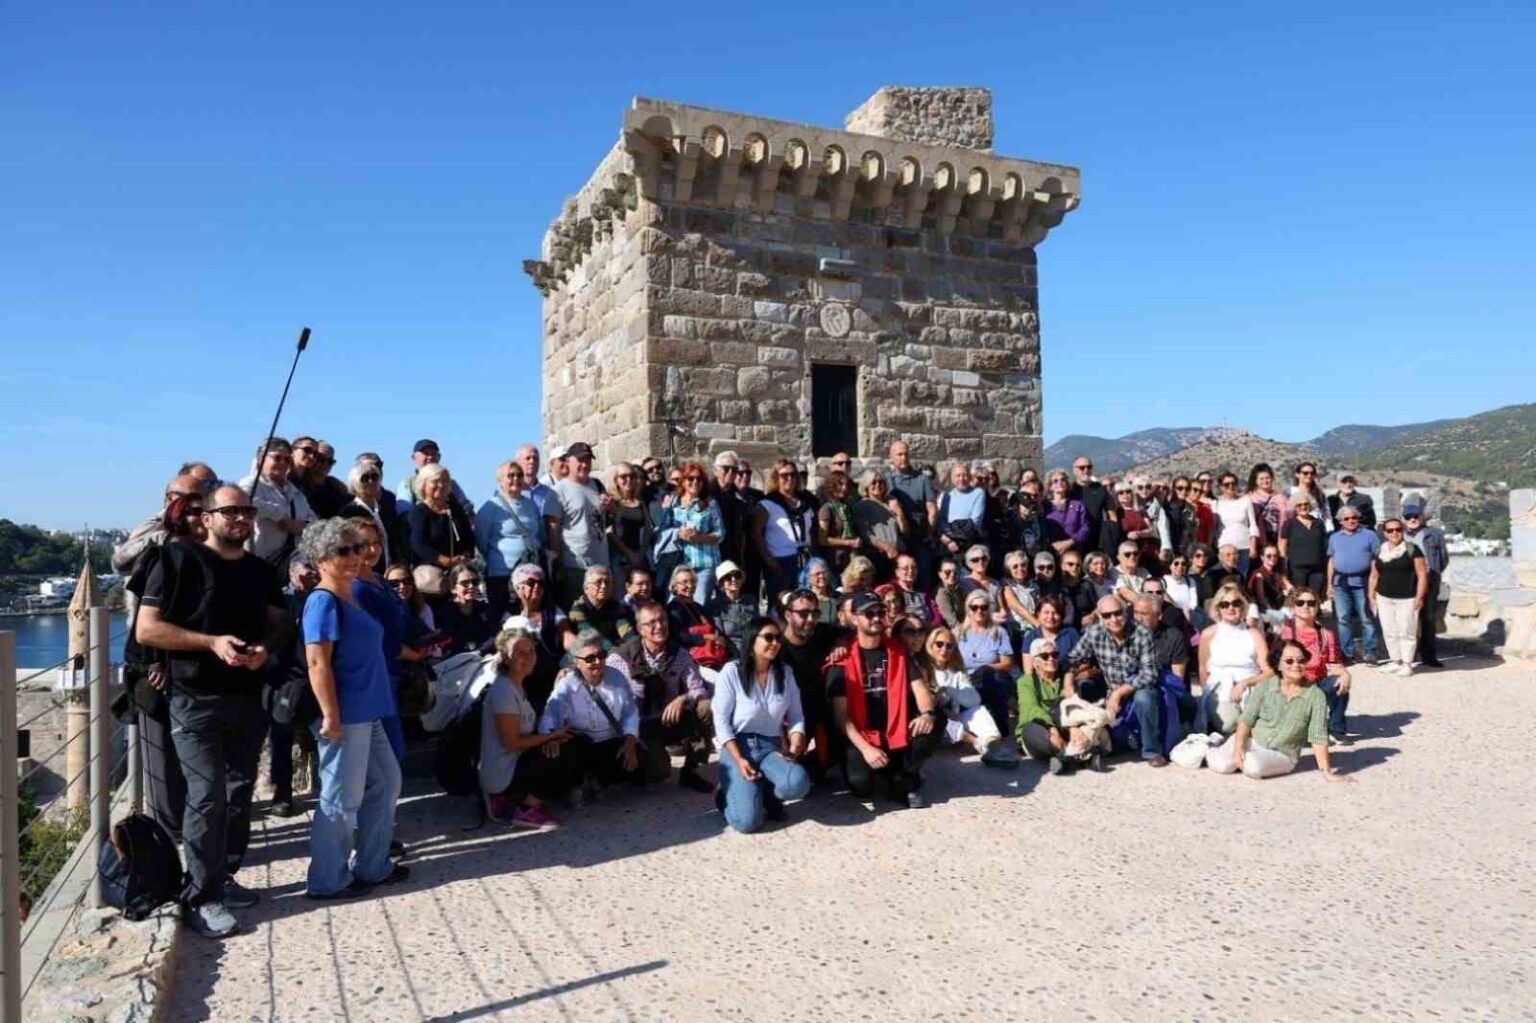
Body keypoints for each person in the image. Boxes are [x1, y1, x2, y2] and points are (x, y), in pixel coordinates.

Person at [134, 485, 288, 937]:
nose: (241, 518)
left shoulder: (260, 570)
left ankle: (221, 876)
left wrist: (264, 650)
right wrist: (211, 643)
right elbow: (147, 629)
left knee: (239, 793)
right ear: (207, 518)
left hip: (248, 696)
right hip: (193, 697)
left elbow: (281, 625)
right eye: (230, 511)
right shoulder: (175, 560)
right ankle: (200, 896)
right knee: (206, 794)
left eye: (247, 511)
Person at [298, 519, 407, 900]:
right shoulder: (322, 601)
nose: (355, 556)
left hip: (369, 710)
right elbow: (317, 663)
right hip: (346, 715)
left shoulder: (352, 595)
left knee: (387, 783)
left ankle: (373, 865)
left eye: (357, 548)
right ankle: (327, 880)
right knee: (340, 800)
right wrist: (330, 715)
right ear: (320, 559)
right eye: (342, 551)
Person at [117, 476, 209, 842]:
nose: (201, 515)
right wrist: (152, 664)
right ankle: (169, 844)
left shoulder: (205, 555)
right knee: (164, 767)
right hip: (156, 671)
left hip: (191, 672)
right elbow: (146, 622)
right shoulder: (158, 551)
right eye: (192, 509)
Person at [828, 592, 941, 808]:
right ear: (855, 618)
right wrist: (866, 749)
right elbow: (841, 716)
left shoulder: (898, 652)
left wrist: (927, 714)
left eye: (880, 612)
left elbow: (921, 690)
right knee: (862, 787)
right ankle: (888, 772)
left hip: (893, 731)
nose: (876, 618)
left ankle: (902, 777)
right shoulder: (841, 658)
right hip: (861, 735)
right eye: (869, 614)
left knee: (934, 720)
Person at [712, 617, 813, 833]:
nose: (775, 643)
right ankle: (725, 797)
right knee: (748, 823)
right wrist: (739, 759)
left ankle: (764, 794)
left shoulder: (785, 672)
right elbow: (721, 720)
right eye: (768, 637)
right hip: (738, 746)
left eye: (777, 638)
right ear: (751, 641)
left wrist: (795, 742)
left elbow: (796, 715)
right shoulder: (732, 671)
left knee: (797, 783)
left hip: (770, 746)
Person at [1206, 640, 1350, 782]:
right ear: (1278, 665)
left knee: (1253, 766)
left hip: (1283, 754)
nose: (1296, 665)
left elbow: (1317, 735)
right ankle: (1211, 747)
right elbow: (1247, 719)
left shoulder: (1316, 696)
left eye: (1301, 661)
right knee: (1221, 765)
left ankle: (1239, 758)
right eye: (1289, 661)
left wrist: (1327, 772)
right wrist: (1238, 747)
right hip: (1253, 741)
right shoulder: (1264, 686)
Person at [606, 599, 713, 790]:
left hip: (667, 719)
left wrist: (683, 698)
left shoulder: (679, 654)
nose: (659, 626)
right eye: (651, 623)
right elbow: (600, 688)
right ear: (640, 629)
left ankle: (690, 771)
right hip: (637, 727)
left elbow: (698, 689)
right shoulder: (621, 658)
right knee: (659, 773)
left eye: (662, 620)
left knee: (705, 706)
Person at [479, 626, 571, 828]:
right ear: (506, 657)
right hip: (503, 773)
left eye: (531, 651)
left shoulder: (517, 684)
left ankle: (527, 798)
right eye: (520, 652)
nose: (528, 657)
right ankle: (522, 807)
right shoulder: (504, 690)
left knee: (564, 744)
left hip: (516, 761)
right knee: (563, 752)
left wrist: (553, 737)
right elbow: (512, 743)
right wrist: (551, 736)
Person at [536, 631, 644, 796]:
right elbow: (550, 716)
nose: (597, 662)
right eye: (589, 658)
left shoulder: (616, 677)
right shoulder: (567, 685)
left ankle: (598, 780)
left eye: (601, 655)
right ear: (576, 662)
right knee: (559, 753)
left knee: (642, 761)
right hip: (581, 745)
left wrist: (630, 740)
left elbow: (630, 713)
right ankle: (578, 783)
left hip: (609, 741)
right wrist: (550, 736)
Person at [1066, 596, 1167, 766]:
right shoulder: (1094, 633)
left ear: (1125, 613)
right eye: (1107, 615)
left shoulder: (1142, 633)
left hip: (1137, 688)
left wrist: (1118, 693)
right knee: (1084, 689)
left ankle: (1151, 751)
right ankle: (1083, 750)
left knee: (1144, 697)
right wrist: (1068, 681)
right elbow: (1072, 660)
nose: (1113, 619)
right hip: (1109, 690)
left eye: (1117, 613)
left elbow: (1149, 674)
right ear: (1100, 617)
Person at [923, 626, 1013, 767]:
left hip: (955, 714)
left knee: (978, 711)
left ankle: (993, 745)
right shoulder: (924, 669)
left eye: (949, 646)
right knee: (941, 719)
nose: (944, 649)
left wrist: (948, 690)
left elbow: (974, 699)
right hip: (935, 722)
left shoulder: (956, 672)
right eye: (939, 644)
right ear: (931, 645)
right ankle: (979, 744)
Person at [1017, 637, 1109, 774]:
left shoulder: (1067, 680)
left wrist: (1072, 726)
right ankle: (1084, 755)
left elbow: (1074, 707)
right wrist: (1052, 726)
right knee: (1035, 731)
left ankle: (1066, 758)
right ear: (1035, 662)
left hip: (1066, 727)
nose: (1051, 659)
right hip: (1041, 726)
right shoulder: (1025, 682)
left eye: (1055, 655)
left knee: (1092, 722)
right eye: (1045, 656)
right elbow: (1030, 709)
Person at [778, 588, 844, 778]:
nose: (810, 619)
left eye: (814, 613)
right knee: (791, 776)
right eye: (803, 613)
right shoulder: (776, 649)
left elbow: (847, 634)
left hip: (823, 710)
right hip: (791, 716)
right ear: (788, 615)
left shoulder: (822, 632)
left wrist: (840, 645)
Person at [1277, 588, 1352, 743]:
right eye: (1300, 603)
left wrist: (1345, 674)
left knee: (1339, 683)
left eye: (1311, 603)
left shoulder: (1326, 634)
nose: (1306, 606)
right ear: (1293, 606)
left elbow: (1334, 663)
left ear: (1317, 606)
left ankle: (1336, 729)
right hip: (1290, 682)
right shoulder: (1285, 631)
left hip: (1316, 682)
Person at [475, 459, 545, 625]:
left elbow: (539, 534)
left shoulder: (530, 505)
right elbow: (481, 541)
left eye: (519, 475)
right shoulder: (490, 507)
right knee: (505, 621)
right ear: (500, 480)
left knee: (530, 618)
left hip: (530, 573)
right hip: (502, 575)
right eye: (510, 475)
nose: (516, 479)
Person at [1195, 583, 1270, 735]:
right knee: (1229, 724)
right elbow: (1203, 668)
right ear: (1218, 608)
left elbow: (1269, 671)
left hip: (1250, 686)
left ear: (1242, 606)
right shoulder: (1208, 634)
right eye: (1225, 604)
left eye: (1236, 603)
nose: (1231, 608)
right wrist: (1206, 699)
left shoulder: (1254, 634)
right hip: (1220, 688)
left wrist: (1245, 683)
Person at [238, 438, 314, 575]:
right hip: (260, 564)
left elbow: (315, 524)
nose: (283, 463)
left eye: (287, 460)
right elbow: (244, 503)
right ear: (261, 459)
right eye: (277, 458)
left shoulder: (296, 494)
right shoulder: (250, 484)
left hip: (294, 566)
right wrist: (280, 516)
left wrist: (303, 527)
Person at [552, 443, 612, 610]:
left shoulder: (597, 485)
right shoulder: (558, 491)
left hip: (602, 565)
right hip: (576, 567)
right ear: (568, 461)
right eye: (580, 460)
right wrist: (558, 565)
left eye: (588, 460)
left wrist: (609, 507)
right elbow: (553, 530)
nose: (585, 465)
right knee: (577, 615)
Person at [507, 563, 573, 712]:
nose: (537, 586)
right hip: (523, 678)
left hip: (551, 673)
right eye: (531, 583)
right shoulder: (510, 615)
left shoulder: (553, 611)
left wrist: (573, 661)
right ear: (517, 588)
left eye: (540, 583)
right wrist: (526, 608)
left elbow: (567, 637)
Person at [408, 463, 475, 607]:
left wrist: (464, 555)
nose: (441, 485)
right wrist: (445, 561)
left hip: (457, 578)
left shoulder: (456, 509)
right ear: (424, 485)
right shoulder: (419, 512)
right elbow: (418, 544)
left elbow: (469, 536)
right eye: (435, 481)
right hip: (431, 583)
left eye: (445, 481)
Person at [1370, 517, 1428, 676]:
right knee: (1389, 630)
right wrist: (1371, 596)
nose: (1394, 533)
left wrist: (1419, 597)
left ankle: (1407, 663)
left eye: (1398, 529)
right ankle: (1396, 661)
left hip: (1407, 598)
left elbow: (1422, 575)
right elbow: (1374, 576)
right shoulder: (1379, 551)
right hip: (1384, 597)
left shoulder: (1412, 549)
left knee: (1407, 631)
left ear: (1402, 531)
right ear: (1385, 533)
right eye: (1390, 530)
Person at [955, 591, 1015, 743]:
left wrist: (987, 667)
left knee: (995, 678)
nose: (979, 611)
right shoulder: (958, 633)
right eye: (974, 607)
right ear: (968, 609)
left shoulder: (999, 632)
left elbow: (1008, 664)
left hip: (990, 677)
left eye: (984, 607)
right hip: (965, 679)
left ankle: (1000, 725)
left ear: (989, 609)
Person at [755, 459, 815, 606]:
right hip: (780, 561)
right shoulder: (767, 503)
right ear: (776, 477)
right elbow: (756, 534)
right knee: (781, 605)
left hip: (805, 559)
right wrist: (768, 558)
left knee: (805, 602)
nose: (789, 478)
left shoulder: (806, 501)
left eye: (793, 474)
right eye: (784, 475)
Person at [1326, 505, 1382, 663]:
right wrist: (1329, 584)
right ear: (1340, 521)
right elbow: (1331, 561)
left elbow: (1376, 559)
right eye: (1346, 518)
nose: (1351, 521)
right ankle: (1347, 653)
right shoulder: (1334, 538)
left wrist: (1374, 582)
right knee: (1343, 619)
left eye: (1354, 517)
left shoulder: (1369, 535)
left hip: (1363, 582)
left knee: (1367, 618)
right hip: (1340, 584)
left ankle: (1370, 651)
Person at [886, 439, 938, 584]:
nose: (903, 458)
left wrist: (929, 532)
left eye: (906, 454)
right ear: (891, 457)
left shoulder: (922, 479)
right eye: (899, 455)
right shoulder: (887, 480)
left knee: (923, 573)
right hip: (897, 536)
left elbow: (932, 508)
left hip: (919, 534)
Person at [671, 462, 723, 603]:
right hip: (681, 563)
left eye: (699, 479)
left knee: (700, 602)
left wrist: (699, 538)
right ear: (683, 481)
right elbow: (664, 528)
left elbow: (720, 533)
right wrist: (678, 533)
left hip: (705, 563)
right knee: (677, 603)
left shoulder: (710, 503)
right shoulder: (674, 503)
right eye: (691, 478)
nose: (695, 482)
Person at [1403, 504, 1448, 668]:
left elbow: (1443, 558)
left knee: (1428, 619)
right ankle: (1407, 656)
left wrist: (1433, 573)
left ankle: (1429, 656)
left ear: (1422, 517)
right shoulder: (1398, 534)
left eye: (1415, 516)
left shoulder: (1435, 534)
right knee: (1406, 619)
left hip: (1429, 580)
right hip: (1405, 582)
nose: (1412, 519)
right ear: (1404, 519)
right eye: (1408, 517)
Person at [340, 460, 402, 572]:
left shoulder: (386, 510)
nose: (371, 481)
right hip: (363, 570)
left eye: (374, 477)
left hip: (389, 571)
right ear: (355, 482)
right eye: (365, 478)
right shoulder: (349, 512)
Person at [397, 438, 474, 517]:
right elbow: (404, 513)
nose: (430, 457)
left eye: (433, 454)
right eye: (426, 453)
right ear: (414, 457)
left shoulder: (450, 484)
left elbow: (466, 508)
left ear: (439, 457)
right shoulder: (408, 484)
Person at [852, 470, 905, 580]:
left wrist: (899, 513)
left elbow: (905, 532)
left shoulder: (892, 504)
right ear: (866, 485)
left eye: (881, 482)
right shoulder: (862, 506)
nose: (878, 485)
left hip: (898, 556)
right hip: (877, 557)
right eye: (873, 482)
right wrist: (887, 548)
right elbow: (865, 534)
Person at [565, 565, 634, 651]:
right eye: (598, 582)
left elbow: (626, 629)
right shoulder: (578, 609)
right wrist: (612, 652)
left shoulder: (616, 607)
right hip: (583, 651)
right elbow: (590, 634)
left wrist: (635, 646)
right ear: (586, 588)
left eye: (607, 582)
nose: (604, 586)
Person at [607, 462, 653, 582]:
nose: (628, 480)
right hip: (620, 557)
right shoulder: (612, 503)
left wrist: (641, 553)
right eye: (623, 476)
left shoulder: (640, 502)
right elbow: (610, 532)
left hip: (640, 555)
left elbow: (647, 528)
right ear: (616, 480)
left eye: (632, 476)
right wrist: (629, 553)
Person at [438, 564, 497, 655]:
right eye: (465, 583)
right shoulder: (445, 614)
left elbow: (493, 637)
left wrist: (479, 651)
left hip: (484, 655)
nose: (471, 586)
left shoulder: (485, 609)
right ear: (453, 588)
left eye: (475, 582)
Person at [1279, 490, 1328, 594]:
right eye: (1299, 505)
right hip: (1297, 570)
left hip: (1317, 569)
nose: (1303, 507)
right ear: (1294, 507)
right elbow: (1282, 548)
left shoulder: (1319, 523)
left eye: (1306, 504)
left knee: (1315, 597)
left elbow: (1324, 546)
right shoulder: (1289, 524)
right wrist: (1283, 569)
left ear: (1310, 505)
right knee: (1299, 597)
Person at [1019, 595, 1082, 677]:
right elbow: (1028, 671)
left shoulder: (1071, 633)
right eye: (1046, 612)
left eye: (1055, 613)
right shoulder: (1031, 637)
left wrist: (1069, 676)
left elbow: (1083, 662)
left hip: (1071, 677)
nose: (1051, 617)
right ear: (1038, 614)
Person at [935, 462, 987, 561]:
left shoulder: (978, 493)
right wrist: (948, 541)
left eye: (965, 475)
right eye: (958, 476)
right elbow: (942, 521)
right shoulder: (946, 496)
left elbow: (975, 521)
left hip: (969, 543)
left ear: (970, 477)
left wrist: (956, 541)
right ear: (952, 479)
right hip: (948, 545)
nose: (961, 479)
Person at [1212, 472, 1259, 578]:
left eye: (1233, 483)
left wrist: (1253, 546)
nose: (1231, 486)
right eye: (1226, 484)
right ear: (1220, 487)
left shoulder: (1246, 501)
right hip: (1224, 547)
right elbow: (1214, 527)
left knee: (1242, 577)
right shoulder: (1215, 504)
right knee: (1225, 577)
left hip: (1244, 547)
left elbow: (1253, 525)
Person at [705, 561, 757, 657]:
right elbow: (720, 636)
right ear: (722, 582)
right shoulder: (715, 604)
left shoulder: (750, 600)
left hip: (753, 649)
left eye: (737, 576)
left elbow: (757, 627)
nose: (734, 579)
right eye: (728, 577)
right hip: (731, 653)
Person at [290, 437, 350, 520]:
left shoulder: (337, 489)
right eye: (320, 459)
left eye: (330, 462)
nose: (325, 464)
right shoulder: (295, 484)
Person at [815, 470, 861, 574]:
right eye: (840, 484)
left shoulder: (847, 508)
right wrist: (849, 542)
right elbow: (823, 539)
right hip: (834, 560)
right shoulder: (827, 509)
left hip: (849, 558)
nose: (844, 488)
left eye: (846, 485)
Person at [1069, 457, 1115, 554]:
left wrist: (1113, 536)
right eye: (1082, 468)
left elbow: (1112, 515)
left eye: (1089, 467)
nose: (1086, 470)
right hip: (1074, 543)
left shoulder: (1100, 489)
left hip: (1097, 541)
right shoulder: (1069, 491)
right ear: (1074, 471)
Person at [1246, 463, 1288, 548]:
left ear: (1272, 478)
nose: (1265, 481)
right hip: (1257, 542)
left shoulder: (1281, 498)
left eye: (1267, 478)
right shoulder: (1249, 498)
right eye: (1261, 479)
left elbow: (1286, 520)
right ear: (1255, 480)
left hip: (1278, 540)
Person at [1248, 544, 1291, 624]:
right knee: (1283, 618)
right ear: (1262, 557)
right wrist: (1273, 611)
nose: (1272, 558)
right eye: (1269, 556)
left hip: (1277, 607)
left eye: (1275, 555)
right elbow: (1261, 597)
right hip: (1264, 609)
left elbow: (1291, 589)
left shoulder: (1277, 574)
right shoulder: (1258, 574)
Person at [891, 553, 939, 624]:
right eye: (905, 568)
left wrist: (933, 627)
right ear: (897, 572)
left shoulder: (923, 592)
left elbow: (936, 614)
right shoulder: (890, 590)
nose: (910, 571)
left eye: (914, 568)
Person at [799, 557, 840, 625]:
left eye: (824, 572)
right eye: (817, 574)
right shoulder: (802, 599)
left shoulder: (837, 597)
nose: (822, 576)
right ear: (808, 578)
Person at [1162, 553, 1201, 623]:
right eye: (1176, 563)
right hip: (1171, 619)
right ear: (1170, 566)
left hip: (1188, 618)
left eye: (1183, 564)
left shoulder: (1190, 581)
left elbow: (1194, 604)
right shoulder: (1163, 581)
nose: (1180, 566)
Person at [934, 558, 965, 629]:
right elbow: (953, 623)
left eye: (956, 572)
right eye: (947, 572)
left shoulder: (958, 590)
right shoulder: (942, 593)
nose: (952, 575)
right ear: (940, 574)